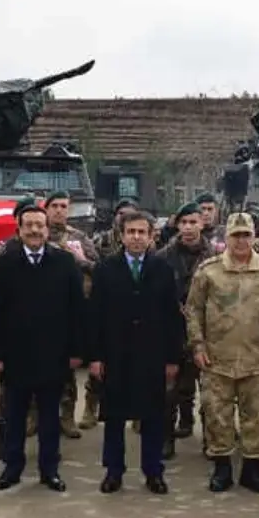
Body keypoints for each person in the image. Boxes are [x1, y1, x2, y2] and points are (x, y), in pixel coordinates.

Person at [186, 212, 259, 493]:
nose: (241, 241)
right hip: (217, 359)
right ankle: (222, 469)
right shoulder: (209, 271)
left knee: (256, 417)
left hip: (257, 360)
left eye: (246, 235)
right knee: (217, 416)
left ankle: (252, 470)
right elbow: (193, 310)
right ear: (227, 237)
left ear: (254, 236)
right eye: (236, 235)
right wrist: (197, 344)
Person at [0, 200, 85, 492]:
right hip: (15, 356)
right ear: (19, 229)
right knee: (14, 417)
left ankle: (49, 470)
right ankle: (12, 469)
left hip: (53, 356)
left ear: (47, 229)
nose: (34, 230)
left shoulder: (65, 262)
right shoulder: (5, 264)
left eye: (39, 225)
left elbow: (77, 310)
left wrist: (77, 351)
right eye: (28, 225)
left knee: (49, 417)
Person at [89, 208, 184, 494]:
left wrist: (172, 358)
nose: (136, 237)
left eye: (142, 232)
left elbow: (172, 317)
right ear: (121, 235)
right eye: (131, 232)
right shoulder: (106, 269)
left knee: (153, 416)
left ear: (152, 236)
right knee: (115, 416)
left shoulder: (163, 270)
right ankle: (114, 471)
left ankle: (153, 471)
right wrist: (95, 356)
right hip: (115, 354)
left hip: (152, 355)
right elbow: (94, 315)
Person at [159, 201, 217, 452]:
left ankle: (211, 439)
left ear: (202, 223)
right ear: (177, 225)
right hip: (172, 328)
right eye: (184, 223)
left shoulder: (216, 256)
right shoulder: (163, 257)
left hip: (208, 330)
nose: (189, 227)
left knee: (209, 388)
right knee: (170, 386)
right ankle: (166, 438)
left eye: (193, 222)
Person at [45, 190, 99, 438]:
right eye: (54, 205)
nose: (59, 210)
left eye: (63, 206)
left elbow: (98, 268)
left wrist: (78, 258)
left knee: (69, 369)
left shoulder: (79, 237)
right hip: (44, 309)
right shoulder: (36, 234)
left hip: (72, 309)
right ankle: (36, 417)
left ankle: (67, 417)